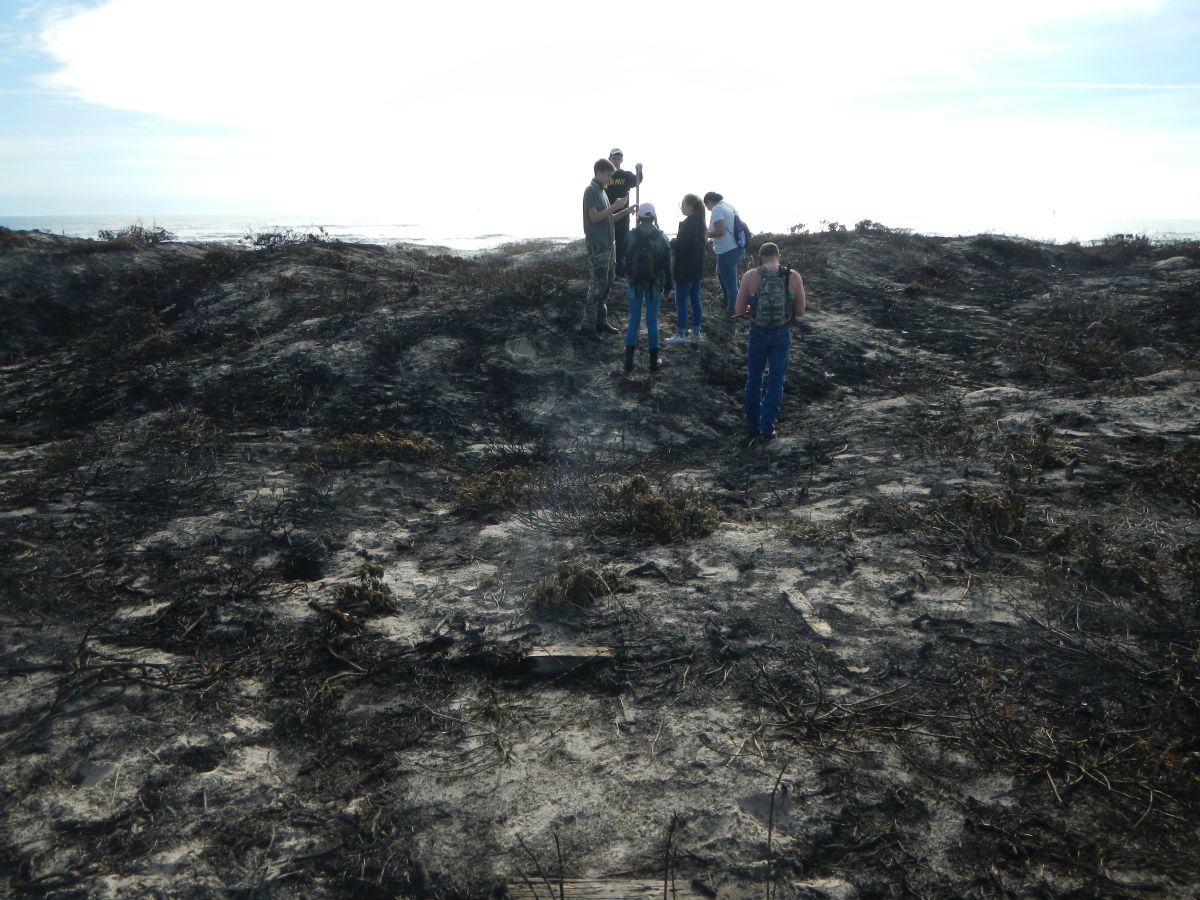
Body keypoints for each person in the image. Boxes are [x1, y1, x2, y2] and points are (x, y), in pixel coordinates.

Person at [733, 242, 807, 442]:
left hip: (757, 332)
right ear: (778, 256)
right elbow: (800, 311)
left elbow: (738, 311)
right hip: (781, 333)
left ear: (760, 258)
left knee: (754, 378)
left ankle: (752, 426)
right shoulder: (793, 276)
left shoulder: (750, 276)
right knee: (776, 380)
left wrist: (752, 307)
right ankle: (768, 428)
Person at [582, 157, 635, 341]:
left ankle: (600, 321)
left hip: (608, 244)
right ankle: (588, 326)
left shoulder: (603, 192)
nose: (609, 179)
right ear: (598, 172)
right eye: (607, 175)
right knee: (597, 285)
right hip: (597, 245)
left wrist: (624, 211)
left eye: (611, 175)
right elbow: (594, 218)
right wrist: (615, 205)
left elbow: (608, 219)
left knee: (607, 282)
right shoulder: (590, 191)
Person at [621, 202, 673, 373]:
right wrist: (668, 287)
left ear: (639, 217)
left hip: (633, 283)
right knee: (651, 321)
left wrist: (628, 276)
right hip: (655, 284)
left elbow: (623, 258)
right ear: (654, 216)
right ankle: (653, 362)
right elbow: (667, 266)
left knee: (634, 320)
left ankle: (628, 363)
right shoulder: (662, 237)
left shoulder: (630, 235)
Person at [664, 193, 707, 345]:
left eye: (683, 204)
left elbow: (682, 246)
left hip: (685, 270)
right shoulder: (701, 223)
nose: (681, 207)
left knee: (681, 302)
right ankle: (696, 331)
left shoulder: (688, 224)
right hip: (696, 269)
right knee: (695, 300)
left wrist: (672, 241)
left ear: (690, 206)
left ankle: (681, 333)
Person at [605, 149, 643, 279]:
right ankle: (608, 272)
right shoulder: (605, 176)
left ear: (622, 160)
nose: (616, 160)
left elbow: (637, 181)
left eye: (619, 158)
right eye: (614, 157)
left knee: (622, 244)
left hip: (623, 215)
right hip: (606, 215)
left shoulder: (625, 175)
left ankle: (620, 272)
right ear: (609, 158)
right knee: (607, 244)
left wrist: (639, 170)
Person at [704, 191, 742, 313]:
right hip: (736, 247)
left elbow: (720, 231)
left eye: (706, 206)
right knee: (720, 273)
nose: (708, 209)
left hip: (727, 249)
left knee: (730, 281)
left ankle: (732, 308)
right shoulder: (729, 206)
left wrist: (704, 235)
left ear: (709, 201)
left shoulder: (717, 209)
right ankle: (728, 301)